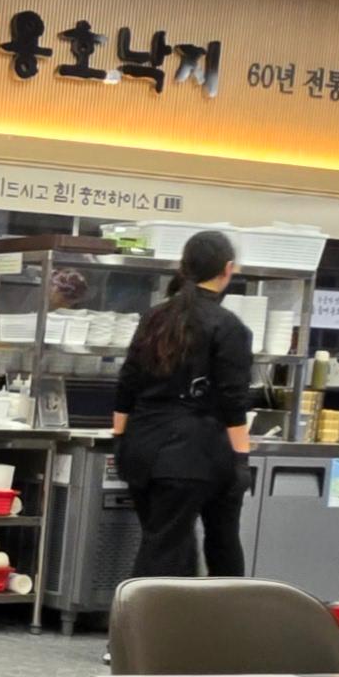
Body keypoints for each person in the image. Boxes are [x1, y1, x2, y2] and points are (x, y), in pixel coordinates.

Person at [112, 230, 254, 577]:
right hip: (196, 452)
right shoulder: (228, 326)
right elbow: (233, 401)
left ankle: (165, 608)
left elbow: (127, 384)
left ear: (183, 266)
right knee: (217, 542)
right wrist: (241, 459)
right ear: (228, 269)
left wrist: (120, 440)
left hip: (142, 449)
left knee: (165, 542)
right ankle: (223, 607)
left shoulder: (154, 317)